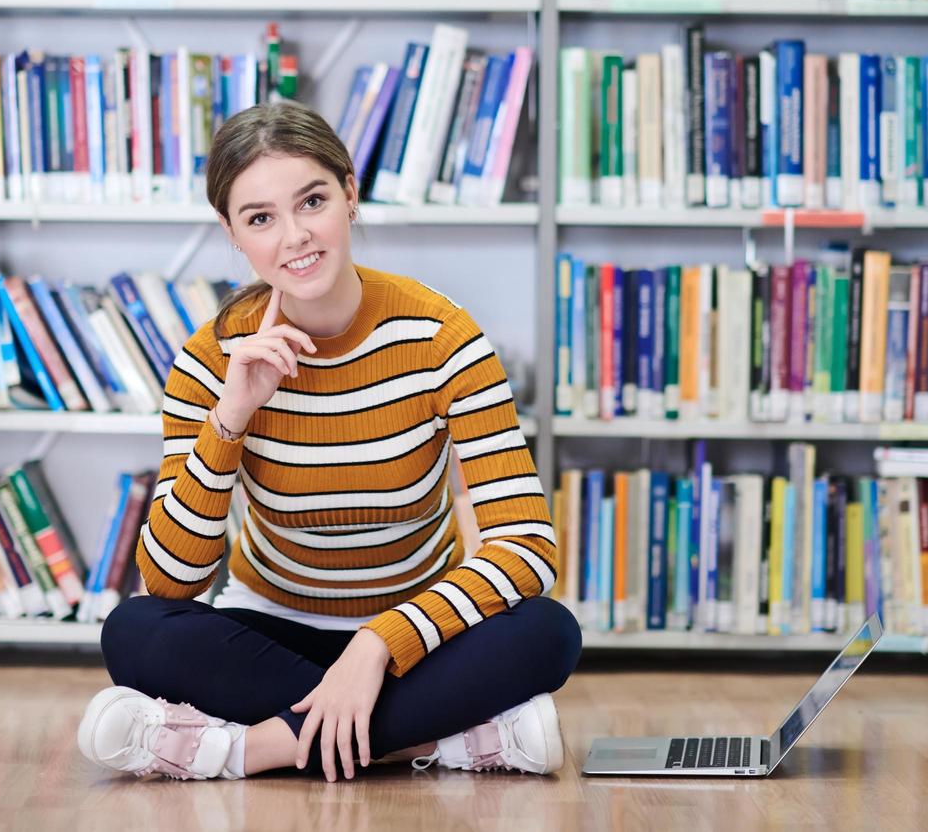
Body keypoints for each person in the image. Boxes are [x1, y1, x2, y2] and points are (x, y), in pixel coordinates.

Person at [76, 102, 582, 783]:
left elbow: (527, 547)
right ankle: (444, 740)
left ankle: (241, 750)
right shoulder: (210, 358)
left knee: (548, 632)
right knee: (134, 632)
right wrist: (231, 415)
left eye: (311, 201)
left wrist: (378, 644)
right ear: (233, 234)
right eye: (260, 218)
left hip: (415, 637)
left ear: (349, 193)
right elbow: (173, 580)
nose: (295, 237)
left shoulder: (441, 337)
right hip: (270, 632)